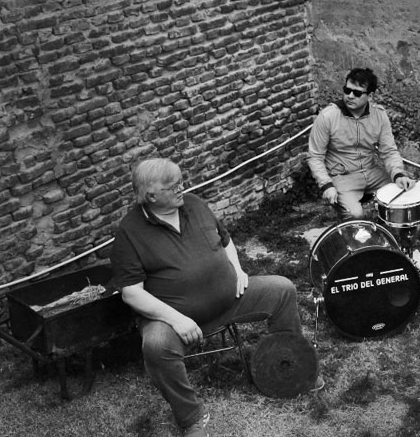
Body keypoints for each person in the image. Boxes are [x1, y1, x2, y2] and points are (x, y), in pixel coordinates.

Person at [110, 158, 317, 437]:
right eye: (173, 186)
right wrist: (177, 320)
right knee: (156, 345)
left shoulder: (194, 204)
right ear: (151, 196)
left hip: (231, 299)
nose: (182, 188)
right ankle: (192, 417)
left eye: (181, 182)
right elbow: (131, 293)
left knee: (283, 289)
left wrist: (238, 269)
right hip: (176, 319)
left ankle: (290, 366)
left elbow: (225, 239)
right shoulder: (129, 232)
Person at [307, 67, 420, 272]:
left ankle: (407, 250)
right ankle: (363, 256)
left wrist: (398, 174)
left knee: (403, 200)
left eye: (357, 93)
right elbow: (315, 155)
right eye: (347, 90)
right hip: (342, 176)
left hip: (371, 171)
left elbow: (389, 150)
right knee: (355, 215)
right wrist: (326, 184)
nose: (350, 96)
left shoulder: (379, 116)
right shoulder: (328, 116)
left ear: (370, 96)